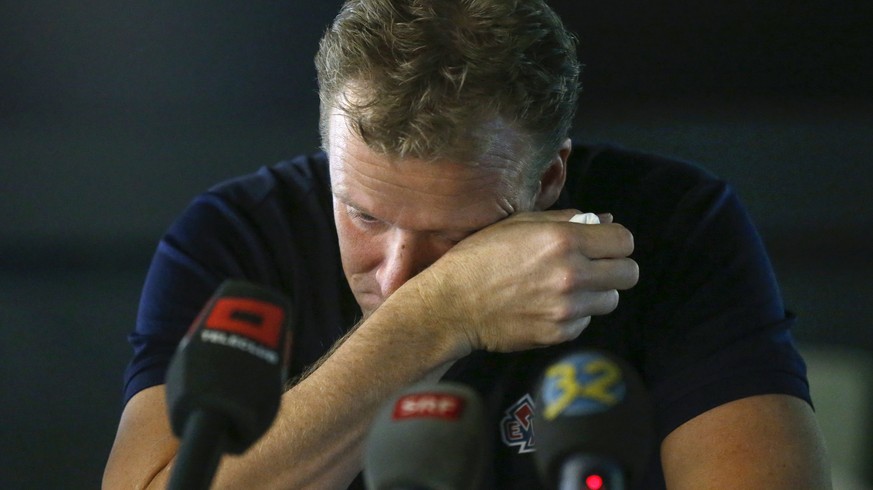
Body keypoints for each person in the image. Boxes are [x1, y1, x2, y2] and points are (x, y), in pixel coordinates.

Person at [103, 0, 831, 488]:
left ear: (548, 178)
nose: (395, 276)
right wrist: (438, 315)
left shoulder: (672, 223)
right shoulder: (236, 234)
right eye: (362, 215)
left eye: (455, 236)